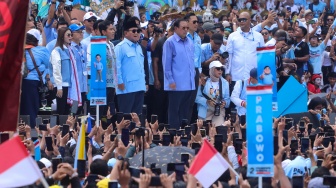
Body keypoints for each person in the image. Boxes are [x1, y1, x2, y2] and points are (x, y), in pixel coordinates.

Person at [163, 19, 195, 129]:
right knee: (174, 112)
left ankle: (183, 135)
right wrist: (170, 81)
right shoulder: (170, 42)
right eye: (183, 28)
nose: (186, 30)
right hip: (176, 84)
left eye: (187, 28)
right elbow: (166, 64)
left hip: (189, 84)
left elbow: (192, 62)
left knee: (185, 112)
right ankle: (173, 135)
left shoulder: (190, 42)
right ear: (176, 28)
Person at [114, 18, 146, 114]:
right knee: (126, 117)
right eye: (133, 31)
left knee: (137, 117)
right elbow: (116, 67)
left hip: (139, 86)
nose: (136, 33)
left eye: (138, 31)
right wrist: (119, 83)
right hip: (126, 88)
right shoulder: (120, 47)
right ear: (126, 33)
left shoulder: (139, 47)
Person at [21, 30, 49, 127]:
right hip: (32, 84)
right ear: (37, 41)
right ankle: (32, 136)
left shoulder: (19, 50)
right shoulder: (41, 50)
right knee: (31, 111)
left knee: (20, 111)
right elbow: (47, 65)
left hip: (18, 84)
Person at [50, 27, 82, 115]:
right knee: (60, 110)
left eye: (71, 35)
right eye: (68, 35)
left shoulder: (70, 50)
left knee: (67, 111)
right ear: (61, 37)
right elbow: (56, 70)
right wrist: (59, 87)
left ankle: (66, 127)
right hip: (61, 85)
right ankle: (58, 127)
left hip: (70, 85)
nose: (70, 37)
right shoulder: (56, 51)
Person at [226, 11, 264, 82]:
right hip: (236, 76)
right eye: (240, 20)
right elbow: (229, 55)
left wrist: (262, 72)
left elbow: (262, 56)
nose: (241, 22)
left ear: (250, 20)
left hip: (253, 77)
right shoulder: (232, 36)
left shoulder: (258, 36)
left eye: (244, 19)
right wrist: (227, 73)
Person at [195, 61, 230, 126]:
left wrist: (225, 103)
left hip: (218, 111)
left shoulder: (225, 83)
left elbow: (228, 99)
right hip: (205, 110)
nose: (220, 71)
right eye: (218, 68)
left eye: (222, 69)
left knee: (219, 131)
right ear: (211, 69)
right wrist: (207, 101)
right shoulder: (203, 81)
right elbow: (196, 98)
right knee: (203, 133)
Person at [185, 12, 202, 124]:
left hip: (195, 70)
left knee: (191, 100)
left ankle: (188, 125)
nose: (196, 24)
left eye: (197, 22)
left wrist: (199, 74)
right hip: (185, 70)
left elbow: (199, 57)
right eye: (194, 22)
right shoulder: (183, 37)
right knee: (183, 99)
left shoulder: (197, 38)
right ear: (187, 23)